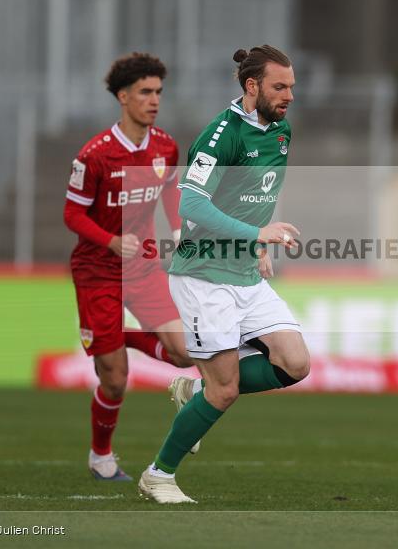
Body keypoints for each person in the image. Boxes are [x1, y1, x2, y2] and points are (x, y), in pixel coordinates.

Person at [137, 45, 310, 504]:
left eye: (292, 86)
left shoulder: (280, 131)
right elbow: (192, 204)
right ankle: (159, 474)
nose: (290, 95)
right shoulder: (221, 134)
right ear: (252, 86)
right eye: (280, 86)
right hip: (203, 276)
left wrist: (254, 243)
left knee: (295, 363)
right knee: (227, 388)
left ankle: (195, 387)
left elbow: (253, 193)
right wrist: (256, 232)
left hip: (244, 273)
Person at [63, 52, 195, 482]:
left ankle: (120, 343)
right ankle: (101, 456)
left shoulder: (164, 146)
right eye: (145, 92)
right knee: (116, 380)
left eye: (158, 91)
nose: (154, 100)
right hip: (97, 270)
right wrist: (111, 240)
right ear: (123, 97)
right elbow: (72, 215)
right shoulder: (95, 155)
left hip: (142, 266)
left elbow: (171, 192)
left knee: (182, 351)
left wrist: (179, 230)